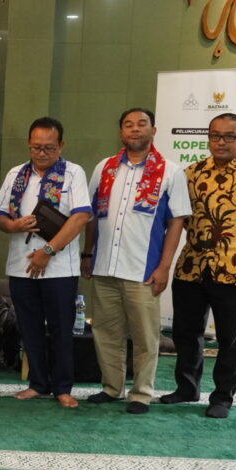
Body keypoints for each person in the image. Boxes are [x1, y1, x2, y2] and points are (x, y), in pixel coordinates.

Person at [160, 112, 236, 418]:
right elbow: (181, 219)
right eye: (215, 135)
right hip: (192, 266)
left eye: (229, 136)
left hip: (235, 270)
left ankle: (222, 397)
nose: (221, 142)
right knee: (185, 332)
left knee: (231, 338)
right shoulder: (191, 174)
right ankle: (187, 387)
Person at [81, 107, 191, 414]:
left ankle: (141, 393)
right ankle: (111, 387)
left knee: (145, 337)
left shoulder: (170, 172)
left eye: (142, 124)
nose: (135, 129)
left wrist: (164, 267)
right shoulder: (104, 168)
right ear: (120, 132)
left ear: (153, 131)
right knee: (106, 332)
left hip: (143, 270)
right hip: (105, 266)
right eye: (128, 124)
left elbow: (176, 223)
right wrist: (87, 253)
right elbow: (91, 216)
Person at [0, 117, 91, 408]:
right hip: (21, 265)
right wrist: (13, 225)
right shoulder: (16, 174)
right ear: (28, 144)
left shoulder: (73, 173)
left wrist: (47, 251)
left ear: (61, 145)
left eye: (49, 147)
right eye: (36, 147)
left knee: (61, 328)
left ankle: (62, 387)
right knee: (29, 326)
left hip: (59, 267)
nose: (42, 153)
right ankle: (37, 383)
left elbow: (80, 217)